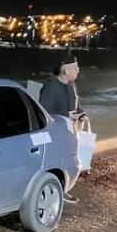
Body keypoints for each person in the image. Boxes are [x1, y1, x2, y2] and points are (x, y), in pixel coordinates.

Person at [39, 56, 86, 204]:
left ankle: (65, 187)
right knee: (59, 163)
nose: (78, 70)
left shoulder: (72, 85)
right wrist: (66, 116)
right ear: (65, 70)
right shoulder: (51, 86)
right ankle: (59, 189)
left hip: (72, 131)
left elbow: (76, 105)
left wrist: (82, 114)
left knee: (71, 161)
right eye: (75, 67)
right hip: (57, 133)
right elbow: (44, 112)